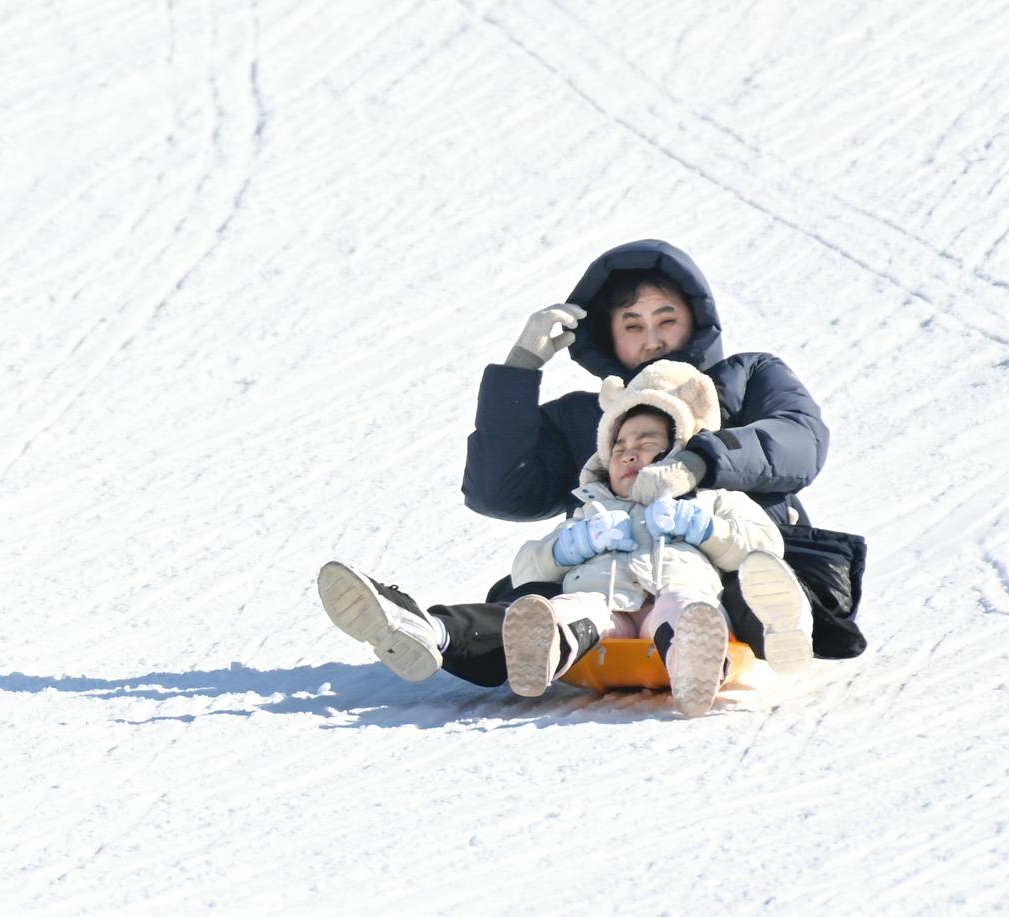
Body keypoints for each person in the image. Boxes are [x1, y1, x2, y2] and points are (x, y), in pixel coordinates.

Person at [317, 239, 866, 691]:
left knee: (757, 583)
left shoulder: (748, 379)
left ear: (695, 321)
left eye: (666, 319)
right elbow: (500, 489)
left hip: (742, 560)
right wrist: (519, 369)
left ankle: (776, 630)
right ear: (609, 337)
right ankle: (431, 631)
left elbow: (800, 441)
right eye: (632, 325)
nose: (653, 339)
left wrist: (700, 462)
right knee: (525, 599)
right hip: (613, 573)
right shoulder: (594, 420)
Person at [497, 360, 785, 716]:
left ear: (679, 450)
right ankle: (546, 643)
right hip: (606, 609)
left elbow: (766, 548)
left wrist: (706, 529)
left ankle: (695, 664)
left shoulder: (709, 499)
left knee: (684, 607)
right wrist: (570, 547)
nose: (629, 453)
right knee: (580, 607)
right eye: (618, 449)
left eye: (647, 443)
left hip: (672, 600)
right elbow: (525, 571)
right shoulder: (593, 509)